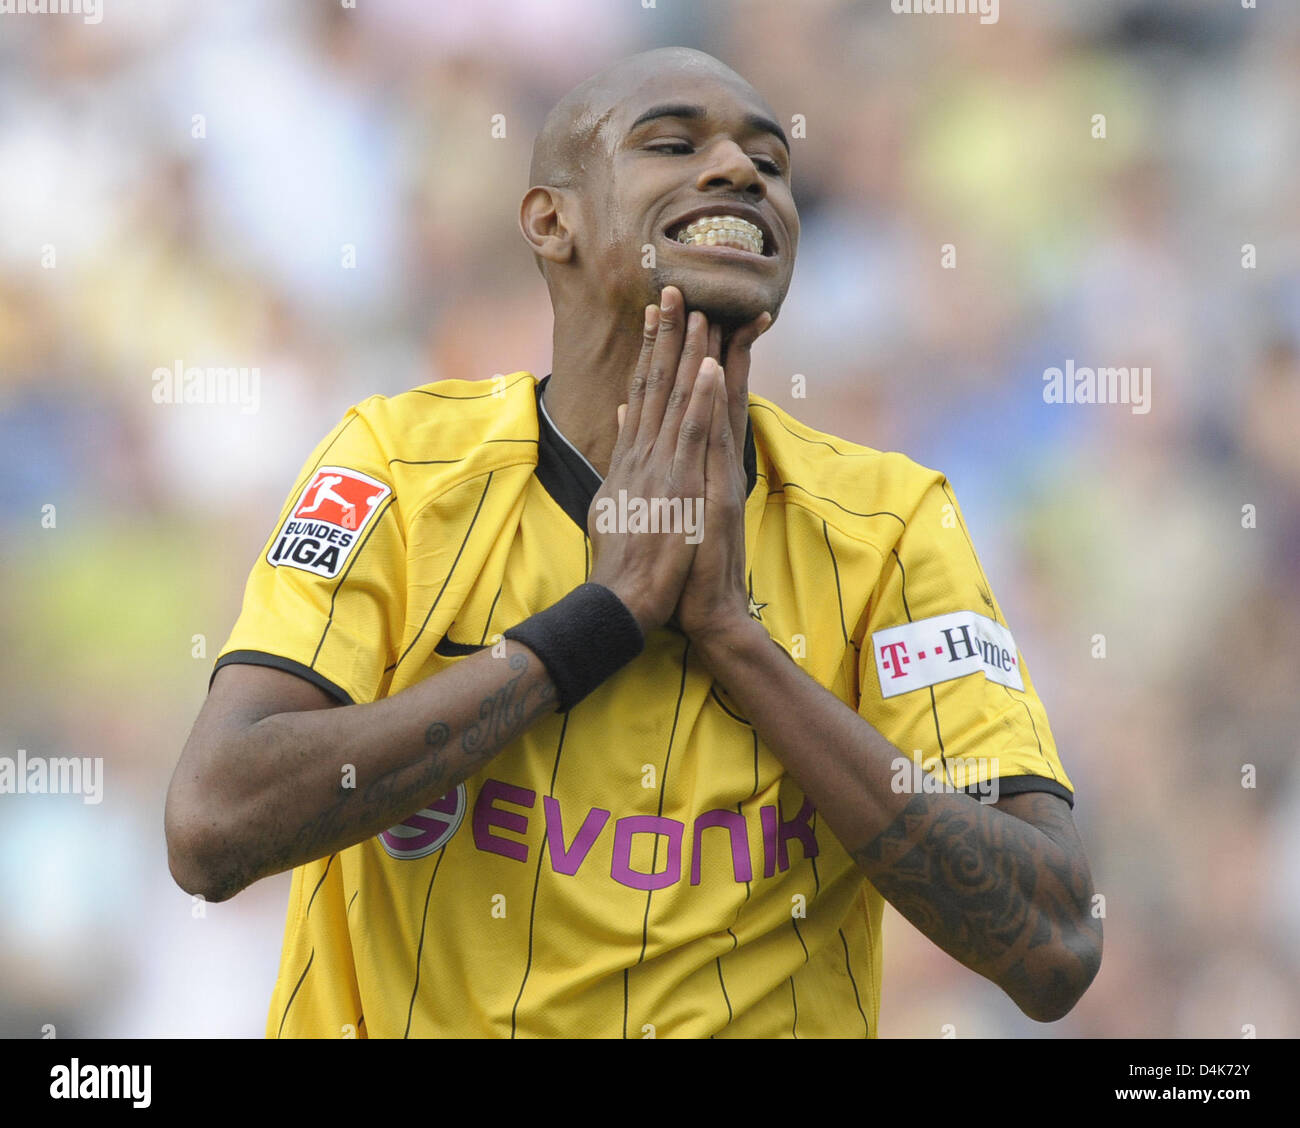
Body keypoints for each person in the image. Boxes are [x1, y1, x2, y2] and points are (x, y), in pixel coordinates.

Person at [165, 46, 1101, 1038]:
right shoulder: (400, 469)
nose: (741, 172)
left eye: (770, 163)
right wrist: (597, 622)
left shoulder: (891, 526)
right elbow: (214, 826)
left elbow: (1051, 946)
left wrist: (733, 638)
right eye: (671, 143)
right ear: (549, 219)